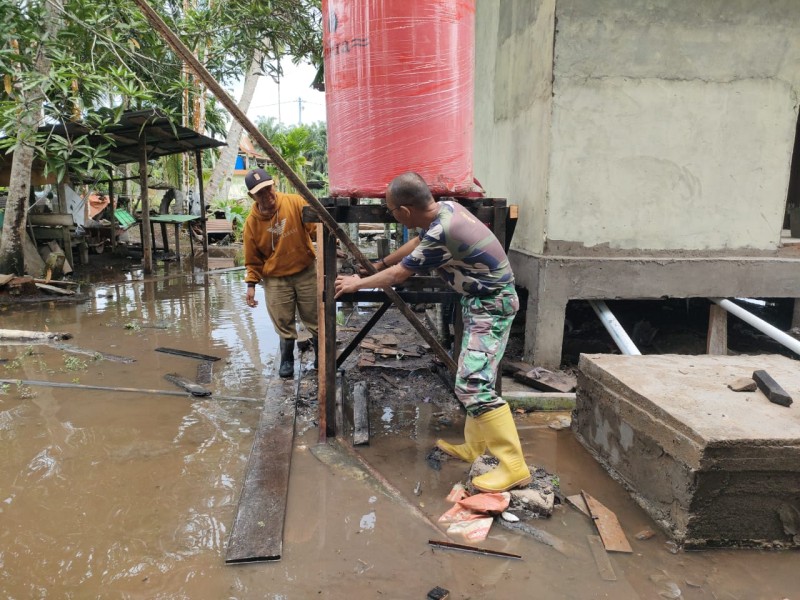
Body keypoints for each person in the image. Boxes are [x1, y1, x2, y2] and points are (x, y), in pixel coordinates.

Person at [334, 172, 531, 493]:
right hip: (481, 301)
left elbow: (398, 276)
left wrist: (358, 283)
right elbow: (416, 244)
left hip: (491, 305)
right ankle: (476, 445)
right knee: (470, 376)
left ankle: (514, 466)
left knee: (473, 383)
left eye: (391, 211)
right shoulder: (446, 210)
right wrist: (379, 263)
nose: (392, 215)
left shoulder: (443, 230)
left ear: (404, 211)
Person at [243, 168, 318, 377]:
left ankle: (321, 356)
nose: (267, 195)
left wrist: (332, 244)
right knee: (283, 321)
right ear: (252, 196)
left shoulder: (295, 202)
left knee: (314, 316)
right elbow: (252, 259)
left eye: (268, 188)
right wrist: (251, 285)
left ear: (274, 184)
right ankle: (286, 360)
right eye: (260, 193)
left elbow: (316, 228)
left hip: (305, 271)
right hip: (275, 278)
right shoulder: (251, 224)